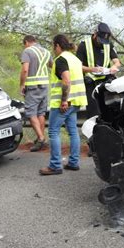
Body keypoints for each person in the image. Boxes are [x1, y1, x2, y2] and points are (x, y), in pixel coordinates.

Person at [39, 34, 87, 175]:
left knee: (53, 131)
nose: (54, 50)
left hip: (65, 103)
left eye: (54, 47)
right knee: (72, 131)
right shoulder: (74, 59)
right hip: (77, 101)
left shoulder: (61, 60)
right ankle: (73, 163)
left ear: (57, 46)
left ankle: (55, 166)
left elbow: (66, 80)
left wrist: (64, 100)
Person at [76, 22, 121, 117]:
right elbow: (78, 67)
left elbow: (117, 62)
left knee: (111, 108)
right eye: (100, 40)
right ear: (95, 34)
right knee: (94, 111)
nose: (102, 43)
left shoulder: (108, 45)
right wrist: (92, 69)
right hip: (91, 82)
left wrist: (114, 67)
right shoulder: (83, 45)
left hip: (105, 81)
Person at [19, 35, 52, 152]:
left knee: (31, 113)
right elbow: (52, 66)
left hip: (32, 87)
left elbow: (25, 70)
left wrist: (22, 85)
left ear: (27, 42)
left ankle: (41, 138)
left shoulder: (27, 51)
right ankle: (40, 139)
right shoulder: (46, 52)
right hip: (44, 86)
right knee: (41, 113)